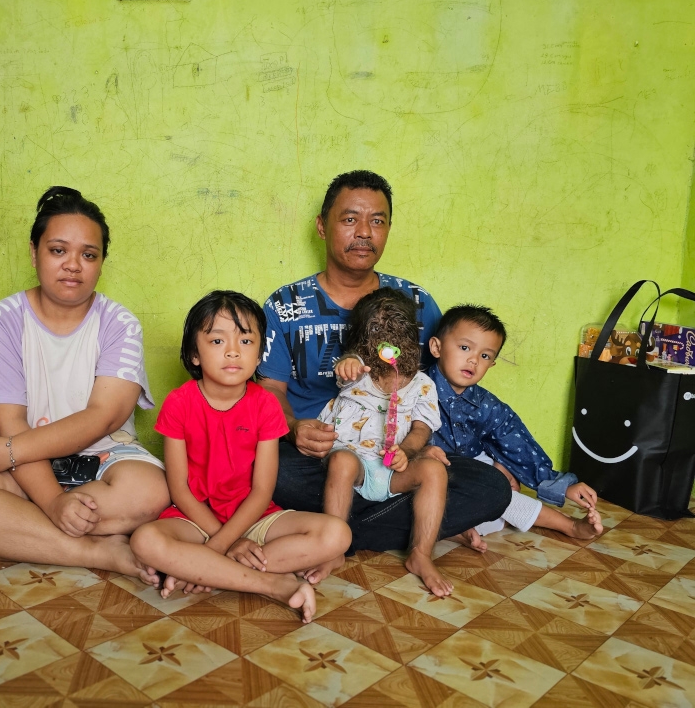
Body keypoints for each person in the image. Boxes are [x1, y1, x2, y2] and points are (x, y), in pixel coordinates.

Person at [0, 187, 168, 584]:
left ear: (101, 263)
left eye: (89, 254)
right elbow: (8, 423)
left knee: (149, 492)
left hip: (101, 462)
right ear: (34, 253)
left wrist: (12, 454)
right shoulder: (1, 320)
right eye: (58, 250)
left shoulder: (120, 323)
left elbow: (103, 417)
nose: (73, 265)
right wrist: (53, 502)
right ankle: (99, 550)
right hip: (18, 471)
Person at [258, 169, 511, 552]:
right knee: (271, 471)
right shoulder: (286, 305)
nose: (364, 232)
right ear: (322, 227)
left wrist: (420, 447)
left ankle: (332, 531)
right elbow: (270, 389)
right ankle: (421, 525)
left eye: (377, 221)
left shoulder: (417, 303)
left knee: (492, 487)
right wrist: (294, 428)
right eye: (349, 219)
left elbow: (435, 388)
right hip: (321, 456)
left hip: (397, 459)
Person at [130, 291, 351, 624]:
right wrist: (224, 543)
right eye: (217, 340)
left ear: (260, 352)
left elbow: (262, 490)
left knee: (337, 535)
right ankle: (272, 584)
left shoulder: (265, 404)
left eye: (246, 341)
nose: (233, 350)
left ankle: (205, 569)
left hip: (255, 517)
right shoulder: (179, 402)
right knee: (146, 540)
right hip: (196, 518)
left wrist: (219, 549)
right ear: (194, 353)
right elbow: (180, 490)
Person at [428, 305, 603, 544]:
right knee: (434, 497)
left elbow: (516, 443)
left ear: (492, 364)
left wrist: (561, 485)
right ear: (436, 347)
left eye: (485, 356)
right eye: (465, 347)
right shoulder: (413, 391)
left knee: (501, 490)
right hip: (431, 470)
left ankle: (570, 526)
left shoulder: (487, 404)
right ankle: (463, 526)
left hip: (473, 468)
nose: (473, 360)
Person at [323, 288, 452, 596]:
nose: (387, 339)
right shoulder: (359, 373)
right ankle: (331, 548)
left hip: (394, 473)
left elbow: (422, 428)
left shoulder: (422, 385)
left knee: (436, 471)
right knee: (339, 462)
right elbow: (346, 367)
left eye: (395, 331)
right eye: (377, 330)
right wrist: (348, 363)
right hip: (355, 466)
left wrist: (406, 452)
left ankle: (420, 554)